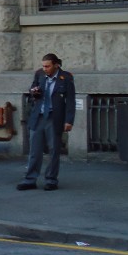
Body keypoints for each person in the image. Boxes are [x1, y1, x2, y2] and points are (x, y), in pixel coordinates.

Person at [18, 53, 76, 191]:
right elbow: (32, 91)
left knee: (54, 149)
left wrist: (69, 120)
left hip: (54, 117)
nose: (45, 69)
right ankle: (30, 179)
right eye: (43, 66)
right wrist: (34, 92)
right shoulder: (39, 74)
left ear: (56, 65)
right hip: (38, 116)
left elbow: (71, 101)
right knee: (35, 150)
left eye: (48, 66)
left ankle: (51, 180)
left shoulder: (66, 77)